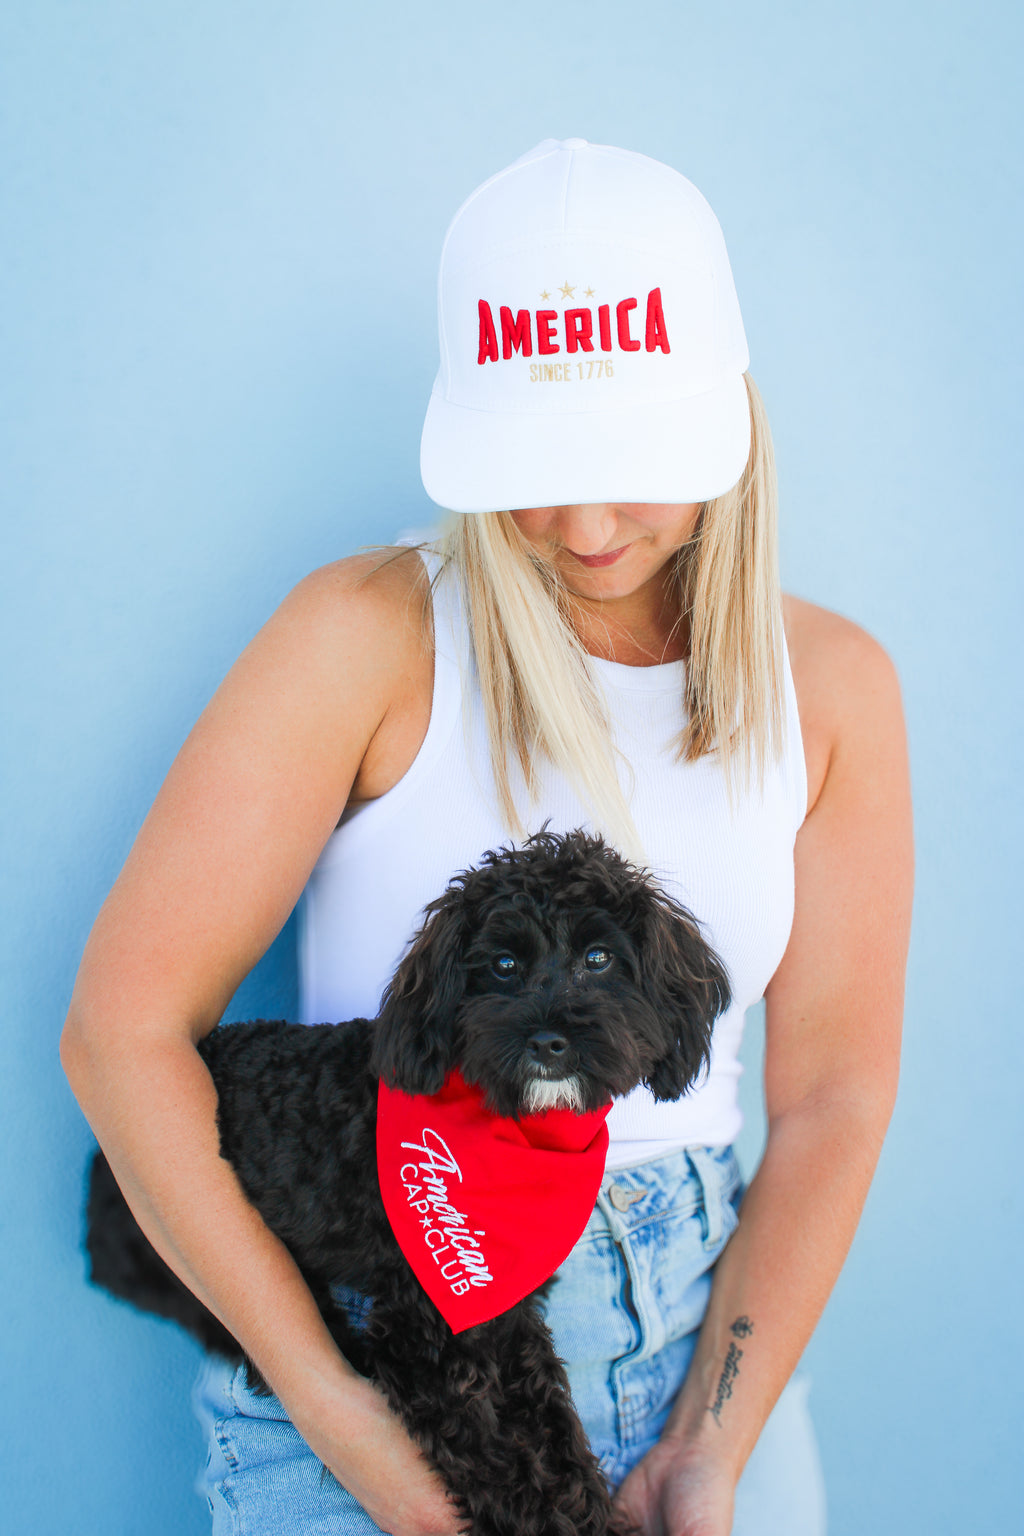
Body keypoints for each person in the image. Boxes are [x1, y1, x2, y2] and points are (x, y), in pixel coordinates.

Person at [60, 139, 913, 1536]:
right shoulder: (365, 637)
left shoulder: (834, 689)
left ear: (726, 418)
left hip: (713, 1338)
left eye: (633, 461)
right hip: (392, 1333)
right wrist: (342, 1412)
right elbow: (120, 1033)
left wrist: (713, 1444)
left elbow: (833, 1097)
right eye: (535, 465)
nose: (584, 525)